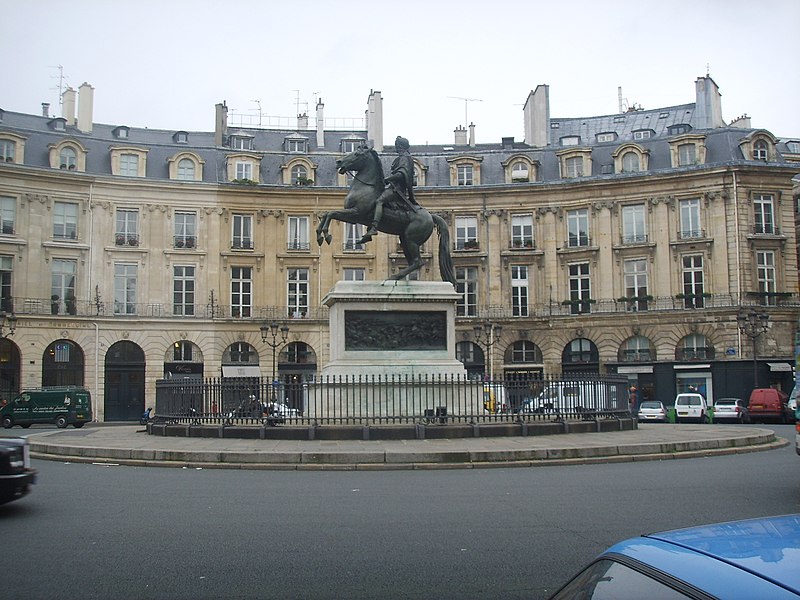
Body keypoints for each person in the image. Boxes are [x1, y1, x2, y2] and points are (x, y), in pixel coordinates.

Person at [359, 135, 420, 243]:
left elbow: (401, 174)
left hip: (397, 190)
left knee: (379, 201)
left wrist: (388, 179)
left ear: (401, 147)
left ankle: (373, 228)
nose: (396, 148)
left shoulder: (404, 158)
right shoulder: (404, 158)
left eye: (397, 146)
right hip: (394, 188)